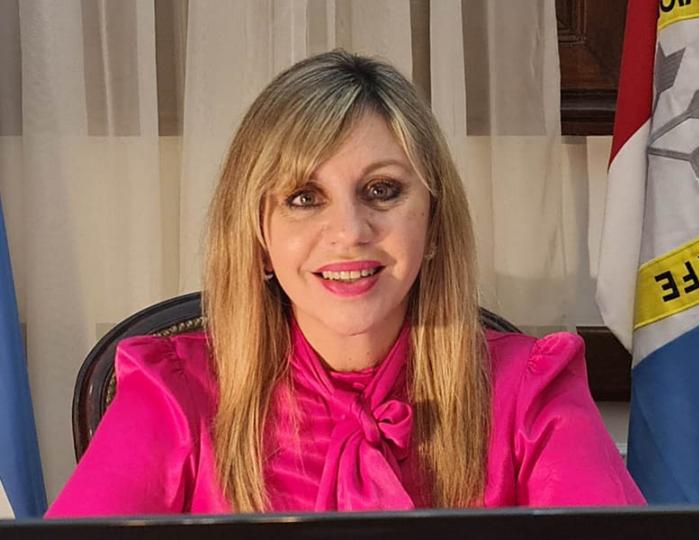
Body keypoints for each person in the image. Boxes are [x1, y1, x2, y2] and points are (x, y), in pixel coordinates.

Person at [46, 51, 644, 516]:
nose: (350, 232)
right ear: (259, 238)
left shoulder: (532, 390)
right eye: (305, 198)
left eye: (382, 190)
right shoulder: (174, 395)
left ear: (433, 223)